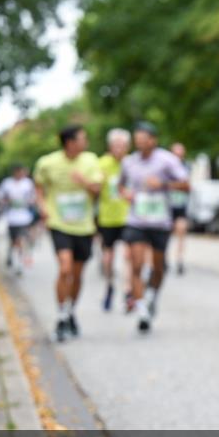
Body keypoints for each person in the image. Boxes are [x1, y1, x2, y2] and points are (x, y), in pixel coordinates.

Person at [34, 125, 103, 342]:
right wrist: (42, 206)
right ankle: (62, 315)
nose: (86, 142)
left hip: (84, 226)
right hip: (59, 223)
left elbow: (98, 189)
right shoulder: (47, 163)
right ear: (70, 142)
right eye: (83, 139)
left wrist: (84, 182)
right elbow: (38, 186)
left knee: (78, 274)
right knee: (65, 268)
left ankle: (71, 310)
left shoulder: (91, 160)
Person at [119, 121, 190, 333]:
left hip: (160, 221)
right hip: (137, 220)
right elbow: (120, 185)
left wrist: (164, 185)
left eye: (143, 140)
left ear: (153, 140)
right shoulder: (129, 162)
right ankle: (142, 310)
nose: (139, 144)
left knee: (158, 268)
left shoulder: (167, 160)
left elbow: (186, 185)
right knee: (137, 263)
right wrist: (126, 194)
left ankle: (151, 296)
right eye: (136, 140)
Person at [98, 128, 131, 310]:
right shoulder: (101, 164)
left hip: (128, 217)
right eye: (116, 145)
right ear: (110, 146)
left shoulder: (132, 163)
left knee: (129, 255)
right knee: (109, 257)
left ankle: (127, 290)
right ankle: (110, 286)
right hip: (107, 218)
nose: (119, 149)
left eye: (123, 146)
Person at [0, 164, 37, 273]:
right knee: (13, 241)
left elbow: (34, 196)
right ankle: (10, 255)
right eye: (18, 172)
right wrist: (6, 200)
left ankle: (19, 264)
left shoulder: (28, 183)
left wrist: (30, 201)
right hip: (11, 217)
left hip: (24, 217)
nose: (20, 174)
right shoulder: (7, 183)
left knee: (21, 240)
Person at [169, 142, 191, 275]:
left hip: (181, 205)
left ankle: (179, 260)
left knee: (181, 232)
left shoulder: (186, 167)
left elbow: (187, 186)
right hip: (167, 206)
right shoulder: (166, 167)